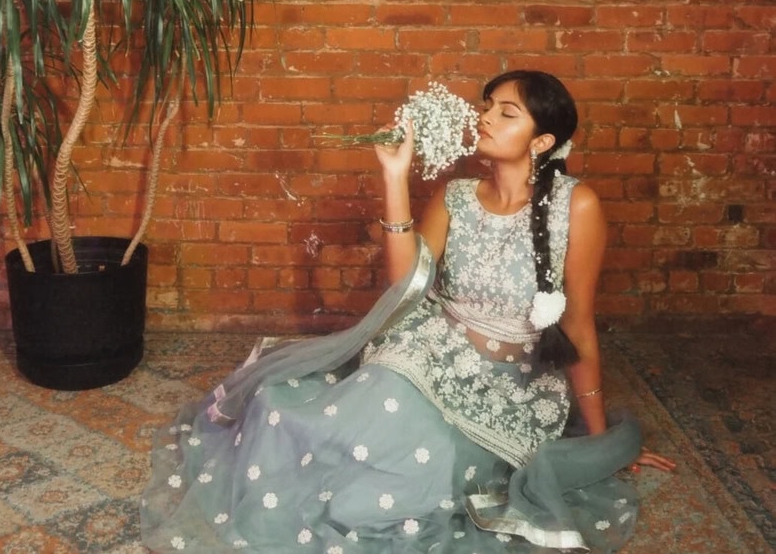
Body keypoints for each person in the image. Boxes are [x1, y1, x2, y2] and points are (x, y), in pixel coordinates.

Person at [139, 70, 676, 553]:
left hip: (507, 385)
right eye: (486, 104)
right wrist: (395, 178)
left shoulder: (577, 207)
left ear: (542, 141)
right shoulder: (456, 196)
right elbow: (406, 285)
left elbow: (577, 323)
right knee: (292, 410)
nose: (484, 116)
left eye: (505, 112)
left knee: (403, 484)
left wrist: (602, 443)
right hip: (426, 348)